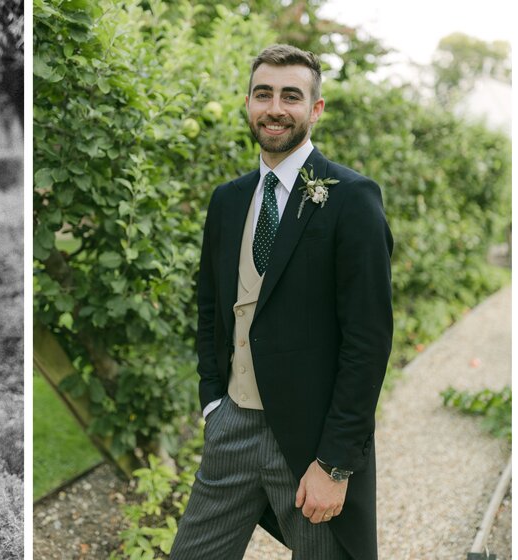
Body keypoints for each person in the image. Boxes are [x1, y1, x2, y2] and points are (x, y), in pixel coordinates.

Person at [170, 44, 393, 560]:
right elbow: (210, 309)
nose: (275, 108)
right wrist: (212, 403)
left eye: (291, 96)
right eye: (263, 94)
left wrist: (335, 464)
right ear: (248, 103)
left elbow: (368, 340)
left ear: (315, 109)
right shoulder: (228, 200)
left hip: (309, 446)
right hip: (232, 428)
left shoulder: (351, 199)